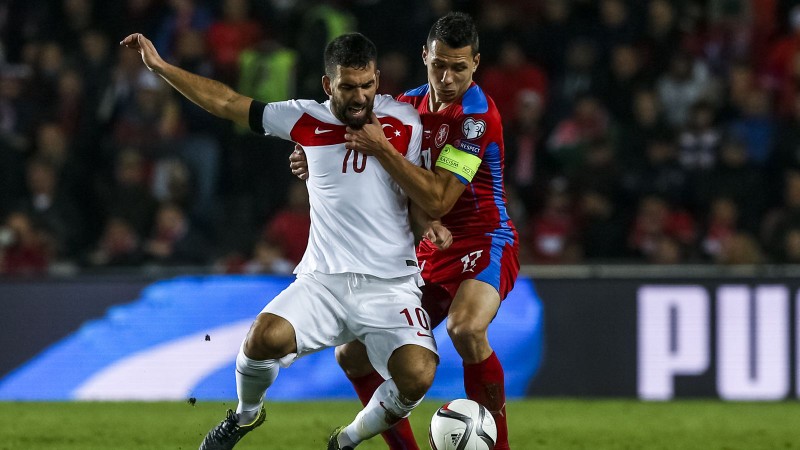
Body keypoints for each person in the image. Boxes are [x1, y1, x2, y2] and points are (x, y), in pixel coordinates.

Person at [121, 31, 450, 450]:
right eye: (348, 87)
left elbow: (416, 195)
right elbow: (227, 103)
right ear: (329, 84)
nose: (359, 96)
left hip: (391, 286)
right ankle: (244, 416)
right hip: (323, 282)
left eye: (367, 85)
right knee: (261, 339)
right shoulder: (304, 119)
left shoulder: (406, 122)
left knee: (418, 373)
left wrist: (430, 226)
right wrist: (162, 67)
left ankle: (345, 440)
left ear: (377, 79)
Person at [291, 12, 519, 450]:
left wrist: (381, 149)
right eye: (439, 65)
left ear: (476, 64)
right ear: (424, 58)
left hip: (483, 240)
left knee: (465, 328)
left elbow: (438, 201)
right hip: (427, 249)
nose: (447, 78)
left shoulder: (477, 118)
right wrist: (308, 160)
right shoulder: (403, 106)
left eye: (458, 67)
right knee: (352, 353)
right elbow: (341, 134)